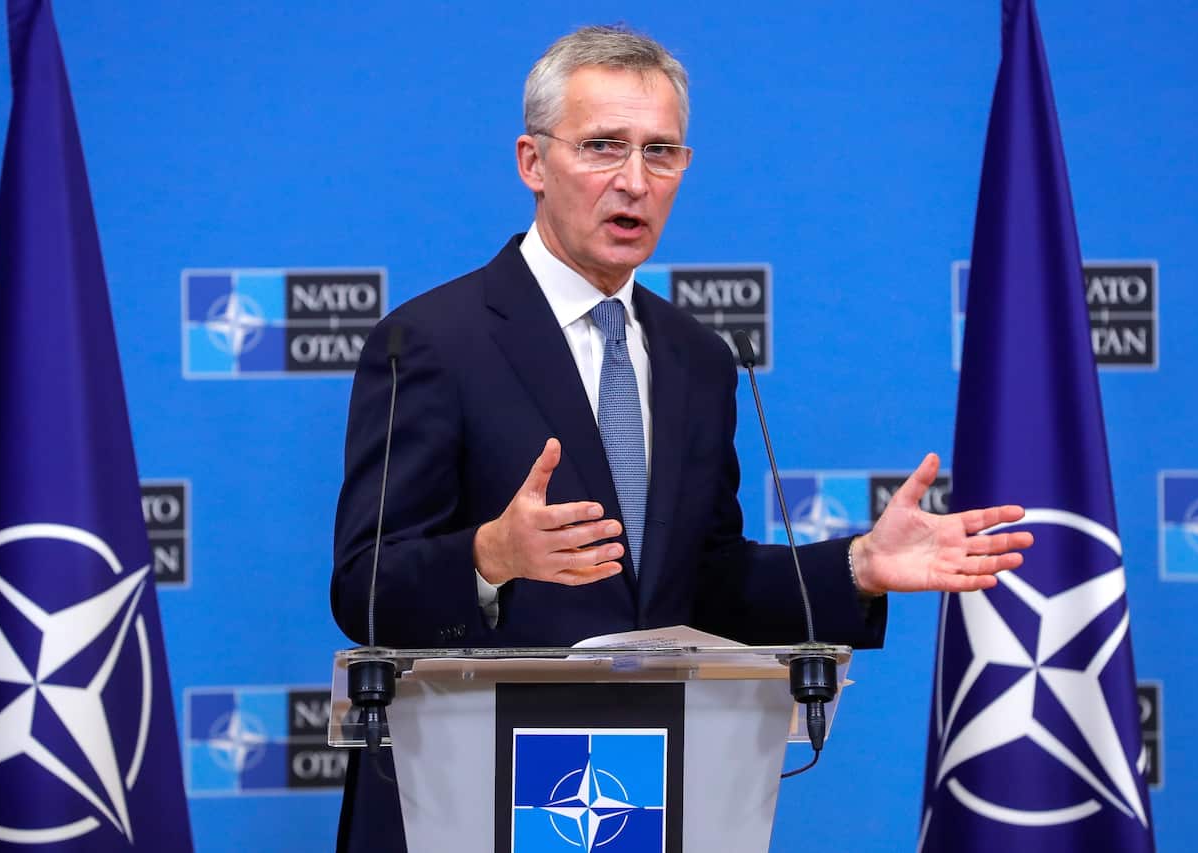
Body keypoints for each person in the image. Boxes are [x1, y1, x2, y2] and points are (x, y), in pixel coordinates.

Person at [329, 25, 1032, 852]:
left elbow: (708, 583)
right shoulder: (431, 340)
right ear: (532, 162)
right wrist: (489, 554)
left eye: (660, 152)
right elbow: (363, 587)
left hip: (644, 797)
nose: (634, 182)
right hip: (461, 801)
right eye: (603, 148)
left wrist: (855, 566)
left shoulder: (698, 358)